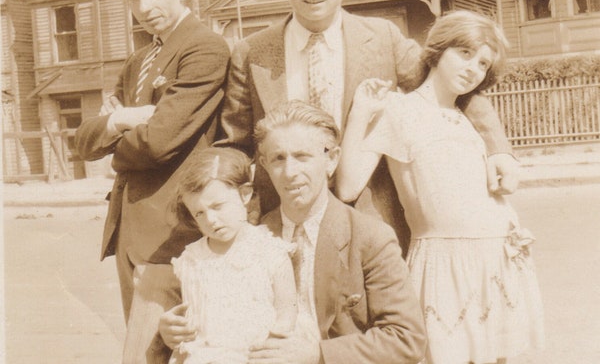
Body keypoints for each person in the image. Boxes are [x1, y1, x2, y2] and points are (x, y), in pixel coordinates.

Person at [219, 0, 518, 251]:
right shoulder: (252, 52)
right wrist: (225, 193)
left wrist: (497, 146)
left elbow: (448, 86)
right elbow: (234, 142)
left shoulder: (382, 38)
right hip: (282, 220)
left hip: (371, 220)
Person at [336, 11, 544, 364]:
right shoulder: (400, 111)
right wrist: (359, 114)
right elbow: (347, 186)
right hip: (444, 261)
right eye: (464, 54)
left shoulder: (466, 118)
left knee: (497, 355)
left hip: (495, 257)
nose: (472, 69)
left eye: (481, 64)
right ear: (437, 51)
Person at [161, 101, 427, 364]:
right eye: (278, 158)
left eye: (302, 157)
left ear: (331, 160)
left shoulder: (369, 237)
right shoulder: (250, 236)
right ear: (263, 164)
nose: (290, 173)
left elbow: (406, 339)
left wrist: (319, 354)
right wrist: (173, 329)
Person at [74, 0, 230, 363]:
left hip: (171, 234)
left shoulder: (204, 48)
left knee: (169, 353)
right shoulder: (139, 60)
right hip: (130, 232)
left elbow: (158, 143)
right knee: (142, 351)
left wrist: (116, 147)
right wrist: (123, 119)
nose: (143, 7)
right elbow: (83, 142)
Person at [168, 147, 297, 364]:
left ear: (244, 194)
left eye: (218, 206)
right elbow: (192, 319)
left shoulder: (270, 251)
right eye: (199, 213)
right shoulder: (193, 259)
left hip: (257, 355)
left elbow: (287, 309)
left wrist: (274, 345)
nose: (211, 220)